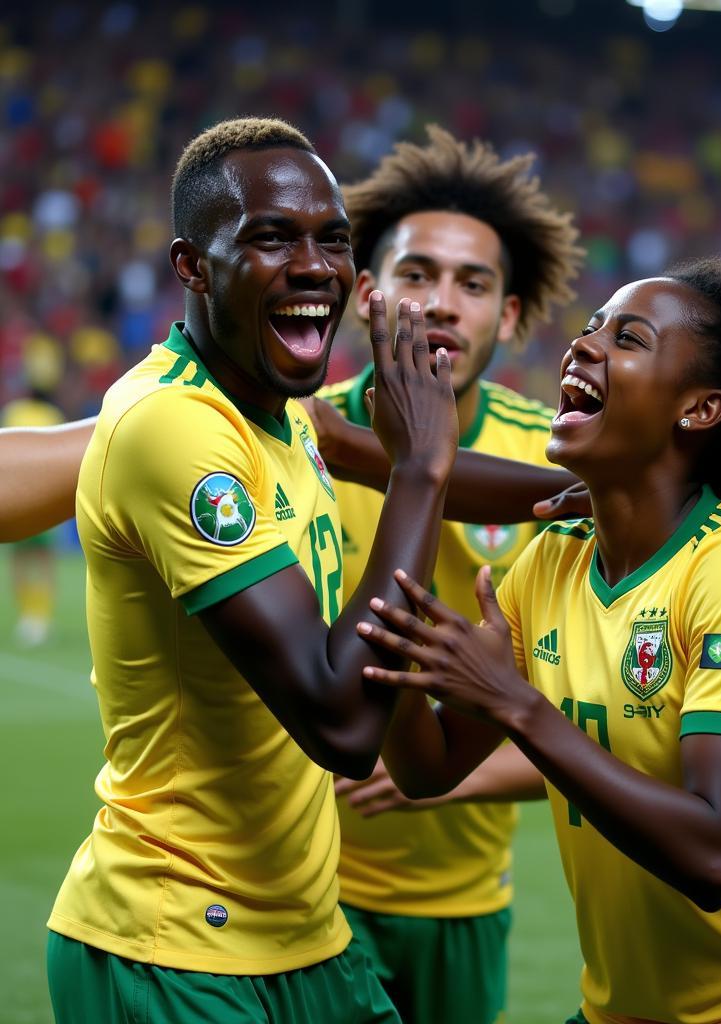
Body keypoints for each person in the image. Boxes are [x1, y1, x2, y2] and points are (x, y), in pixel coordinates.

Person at [45, 116, 460, 1024]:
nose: (316, 266)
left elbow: (445, 471)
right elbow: (344, 724)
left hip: (306, 938)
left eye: (334, 240)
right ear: (191, 266)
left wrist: (606, 487)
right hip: (175, 950)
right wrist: (421, 468)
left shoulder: (281, 414)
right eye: (273, 237)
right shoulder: (174, 428)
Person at [355, 260, 721, 1024]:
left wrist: (516, 705)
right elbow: (425, 767)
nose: (583, 346)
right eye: (588, 329)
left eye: (629, 338)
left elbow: (715, 855)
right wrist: (400, 636)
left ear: (701, 408)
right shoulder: (552, 561)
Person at [317, 125, 584, 1024]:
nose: (442, 303)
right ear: (365, 292)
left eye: (474, 285)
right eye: (417, 274)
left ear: (509, 317)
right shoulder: (293, 437)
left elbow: (616, 721)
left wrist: (454, 773)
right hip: (300, 893)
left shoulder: (563, 462)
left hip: (462, 905)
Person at [2, 385, 66, 644]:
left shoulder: (14, 412)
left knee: (19, 562)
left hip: (18, 501)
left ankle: (27, 616)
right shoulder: (53, 415)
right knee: (45, 562)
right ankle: (43, 617)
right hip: (46, 501)